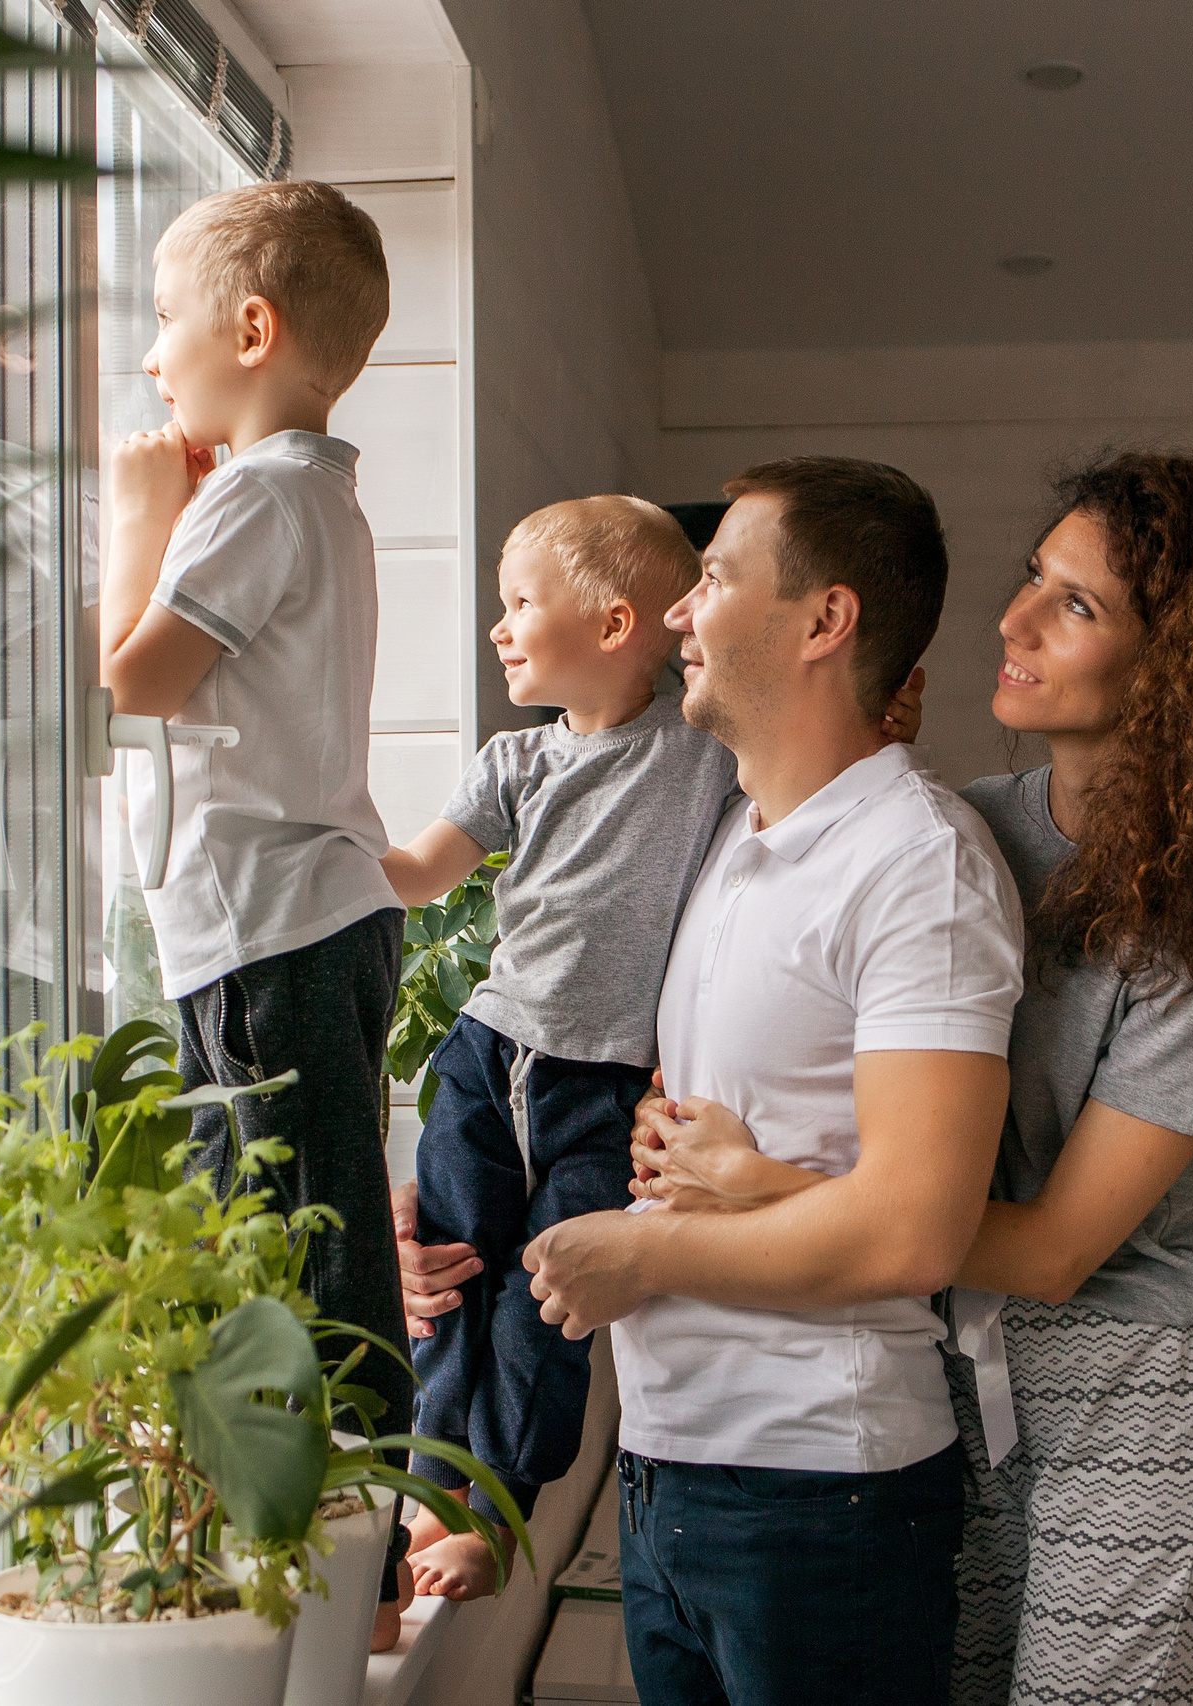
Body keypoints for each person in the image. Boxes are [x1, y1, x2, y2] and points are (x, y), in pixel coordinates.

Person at [624, 452, 1193, 1706]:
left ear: (1180, 667)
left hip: (1129, 1402)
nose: (1013, 618)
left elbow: (1054, 1252)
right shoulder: (965, 829)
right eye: (1034, 578)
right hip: (947, 1381)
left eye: (1074, 605)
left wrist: (766, 1186)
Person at [503, 458, 1028, 1706]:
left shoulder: (919, 865)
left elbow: (915, 1228)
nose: (678, 611)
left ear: (824, 620)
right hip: (664, 1470)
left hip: (818, 1496)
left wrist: (649, 1258)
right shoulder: (725, 841)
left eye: (715, 578)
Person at [96, 179, 417, 1641]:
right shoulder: (320, 495)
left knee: (295, 1254)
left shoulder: (257, 494)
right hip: (313, 912)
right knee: (303, 1237)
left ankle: (336, 1574)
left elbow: (132, 680)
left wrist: (132, 514)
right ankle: (329, 1566)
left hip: (268, 928)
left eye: (165, 322)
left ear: (249, 325)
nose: (154, 357)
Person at [376, 497, 732, 1602]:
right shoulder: (512, 759)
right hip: (486, 1050)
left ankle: (496, 1511)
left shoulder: (701, 750)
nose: (500, 627)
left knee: (549, 1297)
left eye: (520, 602)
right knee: (448, 1268)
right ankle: (426, 1498)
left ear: (618, 622)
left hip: (601, 1076)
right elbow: (415, 876)